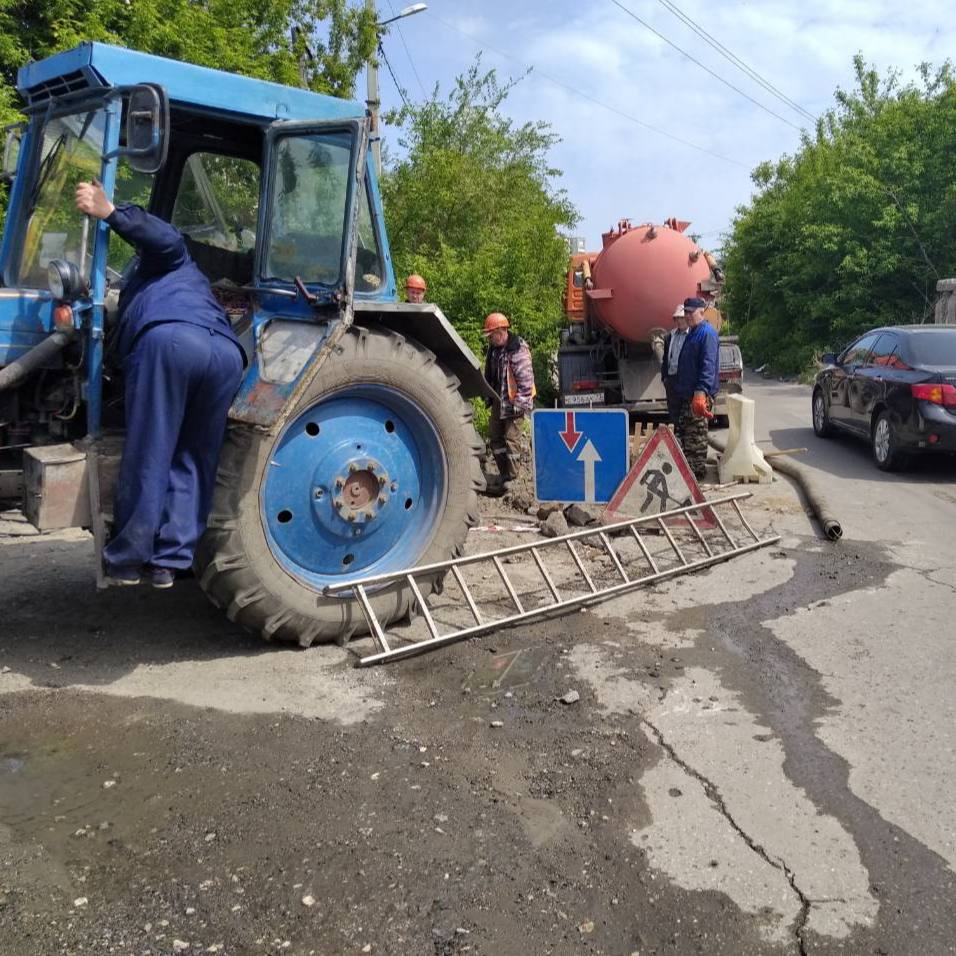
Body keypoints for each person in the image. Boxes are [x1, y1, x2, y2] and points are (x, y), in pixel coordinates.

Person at [75, 180, 246, 589]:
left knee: (151, 448)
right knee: (193, 458)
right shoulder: (193, 285)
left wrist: (111, 212)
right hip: (225, 355)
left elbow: (166, 239)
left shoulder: (172, 259)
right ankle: (169, 561)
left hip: (172, 343)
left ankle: (127, 559)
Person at [482, 312, 536, 486]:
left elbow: (526, 381)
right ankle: (504, 474)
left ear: (502, 331)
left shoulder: (518, 349)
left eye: (492, 334)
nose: (490, 338)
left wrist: (519, 405)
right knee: (495, 436)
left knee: (512, 439)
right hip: (500, 398)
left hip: (515, 401)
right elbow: (491, 374)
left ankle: (513, 478)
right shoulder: (495, 349)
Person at [669, 296, 719, 480]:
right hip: (687, 394)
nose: (688, 316)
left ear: (702, 312)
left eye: (691, 313)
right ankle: (689, 473)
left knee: (696, 438)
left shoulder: (707, 334)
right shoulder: (693, 333)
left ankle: (697, 475)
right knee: (687, 434)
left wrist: (701, 392)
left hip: (698, 395)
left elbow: (708, 365)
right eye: (686, 312)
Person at [660, 302, 690, 436]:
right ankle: (676, 439)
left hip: (686, 380)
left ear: (687, 319)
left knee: (687, 414)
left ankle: (685, 440)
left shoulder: (692, 336)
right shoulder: (669, 337)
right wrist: (665, 378)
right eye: (677, 319)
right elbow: (665, 358)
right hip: (672, 380)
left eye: (681, 318)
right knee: (674, 413)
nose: (679, 321)